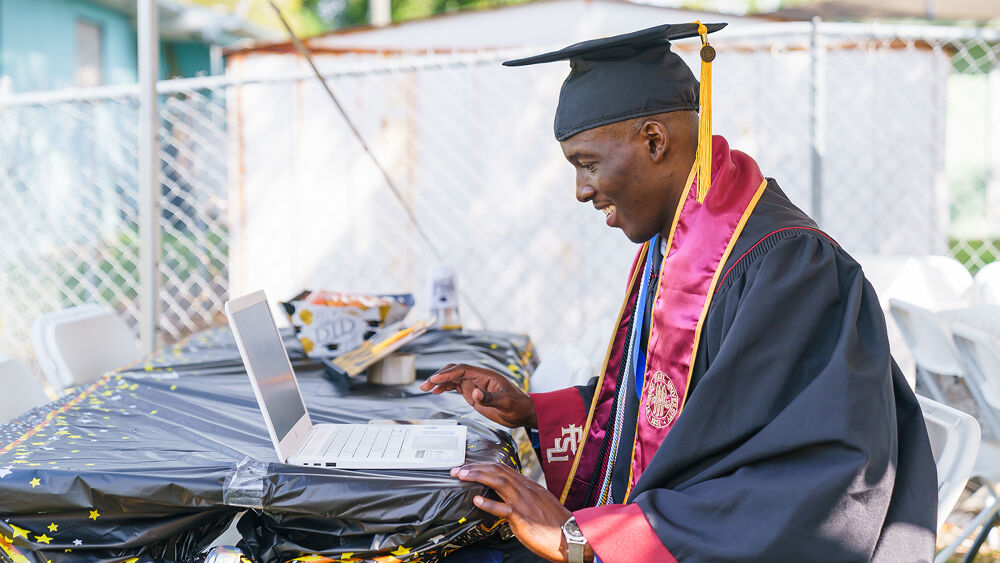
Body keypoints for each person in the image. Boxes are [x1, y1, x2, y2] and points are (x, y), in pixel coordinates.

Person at [421, 22, 937, 563]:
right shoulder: (680, 241)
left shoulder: (790, 269)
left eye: (588, 164)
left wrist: (584, 541)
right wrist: (535, 413)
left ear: (653, 140)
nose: (581, 191)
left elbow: (807, 484)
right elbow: (684, 411)